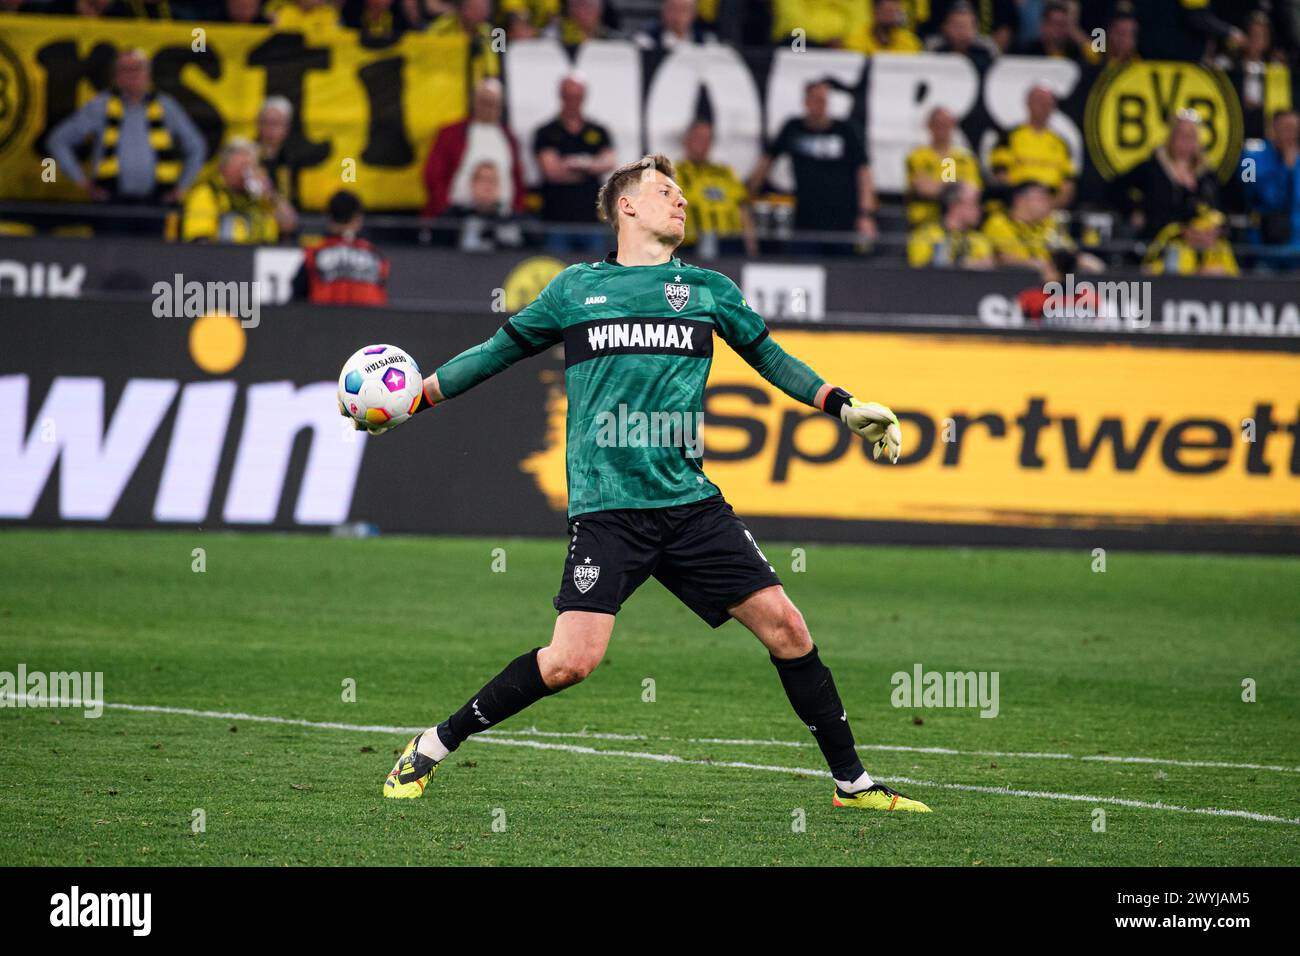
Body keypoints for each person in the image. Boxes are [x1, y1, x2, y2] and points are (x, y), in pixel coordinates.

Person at [365, 151, 929, 816]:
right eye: (665, 191)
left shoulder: (710, 290)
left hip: (691, 506)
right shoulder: (574, 290)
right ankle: (432, 743)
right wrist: (416, 401)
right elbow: (495, 353)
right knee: (571, 662)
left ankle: (852, 785)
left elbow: (771, 357)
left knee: (788, 629)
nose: (681, 201)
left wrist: (842, 405)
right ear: (625, 206)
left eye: (681, 193)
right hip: (609, 511)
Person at [45, 47, 206, 206]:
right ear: (115, 77)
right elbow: (58, 140)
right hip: (111, 201)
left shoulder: (165, 106)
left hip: (157, 201)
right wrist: (82, 182)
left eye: (137, 69)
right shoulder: (101, 105)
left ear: (148, 74)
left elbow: (196, 146)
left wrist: (182, 187)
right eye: (125, 70)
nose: (132, 75)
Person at [747, 79, 877, 252]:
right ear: (806, 102)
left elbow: (864, 172)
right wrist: (747, 194)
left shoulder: (845, 131)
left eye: (823, 100)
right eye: (815, 100)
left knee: (843, 274)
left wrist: (865, 215)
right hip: (806, 220)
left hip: (842, 221)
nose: (820, 105)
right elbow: (767, 160)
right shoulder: (794, 128)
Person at [532, 72, 618, 252]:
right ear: (561, 96)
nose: (573, 101)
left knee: (594, 275)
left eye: (577, 97)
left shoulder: (598, 131)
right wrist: (590, 169)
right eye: (569, 96)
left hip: (591, 220)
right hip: (556, 220)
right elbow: (552, 172)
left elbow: (609, 162)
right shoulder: (546, 132)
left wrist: (576, 165)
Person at [422, 77, 526, 222]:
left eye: (493, 104)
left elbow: (517, 178)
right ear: (474, 102)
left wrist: (516, 211)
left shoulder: (509, 138)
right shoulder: (451, 134)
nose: (489, 108)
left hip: (502, 218)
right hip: (456, 216)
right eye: (484, 102)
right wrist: (444, 207)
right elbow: (433, 174)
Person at [1119, 110, 1220, 240]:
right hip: (1160, 242)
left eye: (1191, 136)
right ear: (1171, 137)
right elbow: (1116, 188)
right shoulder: (1153, 168)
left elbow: (1218, 209)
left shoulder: (1207, 174)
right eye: (1181, 135)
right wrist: (1134, 210)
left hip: (1200, 245)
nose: (1186, 141)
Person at [982, 180, 1101, 282]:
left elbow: (1067, 251)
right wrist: (1038, 265)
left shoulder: (1050, 223)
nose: (1048, 203)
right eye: (1041, 198)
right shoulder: (999, 222)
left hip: (1050, 283)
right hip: (1010, 282)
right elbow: (1002, 258)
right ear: (1020, 200)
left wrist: (1081, 260)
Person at [675, 118, 758, 256]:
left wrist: (751, 247)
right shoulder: (674, 172)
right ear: (686, 140)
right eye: (698, 137)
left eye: (707, 138)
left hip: (730, 245)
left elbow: (743, 208)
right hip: (690, 246)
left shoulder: (725, 172)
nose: (702, 143)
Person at [293, 190, 391, 304]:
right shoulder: (377, 256)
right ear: (357, 218)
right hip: (370, 320)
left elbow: (297, 297)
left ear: (329, 217)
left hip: (325, 319)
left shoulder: (313, 255)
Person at [989, 84, 1077, 210]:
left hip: (1049, 206)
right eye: (1039, 102)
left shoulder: (1061, 143)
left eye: (1048, 104)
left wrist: (1048, 206)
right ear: (1028, 104)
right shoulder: (1008, 137)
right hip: (1016, 204)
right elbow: (1000, 177)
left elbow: (1068, 184)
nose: (1043, 107)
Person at [180, 139, 279, 243]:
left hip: (261, 254)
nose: (246, 172)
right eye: (241, 166)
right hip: (221, 255)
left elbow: (289, 224)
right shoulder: (207, 193)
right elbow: (199, 239)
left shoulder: (260, 197)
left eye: (250, 167)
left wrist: (271, 194)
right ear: (223, 167)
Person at [905, 106, 981, 226]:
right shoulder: (918, 156)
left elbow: (972, 191)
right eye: (938, 124)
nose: (942, 128)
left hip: (958, 223)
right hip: (925, 222)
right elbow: (923, 188)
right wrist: (955, 188)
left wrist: (941, 186)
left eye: (946, 124)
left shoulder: (963, 158)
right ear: (929, 125)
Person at [908, 182, 994, 268]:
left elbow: (987, 267)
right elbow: (918, 272)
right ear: (954, 205)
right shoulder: (925, 235)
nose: (980, 209)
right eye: (975, 202)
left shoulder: (978, 239)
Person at [1143, 205, 1239, 276]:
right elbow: (1149, 269)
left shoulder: (1221, 245)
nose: (1213, 235)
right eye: (1206, 231)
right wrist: (1198, 273)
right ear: (1187, 231)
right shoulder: (1175, 245)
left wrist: (1223, 272)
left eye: (1214, 231)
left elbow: (1235, 274)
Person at [254, 96, 302, 237]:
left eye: (275, 124)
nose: (269, 129)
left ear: (286, 127)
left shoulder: (294, 159)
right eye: (265, 123)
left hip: (289, 229)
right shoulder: (249, 157)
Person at [634, 0, 716, 52]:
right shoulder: (647, 39)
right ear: (664, 10)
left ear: (693, 14)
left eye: (683, 10)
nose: (677, 15)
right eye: (672, 8)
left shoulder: (705, 41)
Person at [850, 0, 923, 54]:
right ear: (874, 12)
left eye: (896, 12)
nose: (892, 17)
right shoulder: (855, 41)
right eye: (888, 11)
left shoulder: (910, 43)